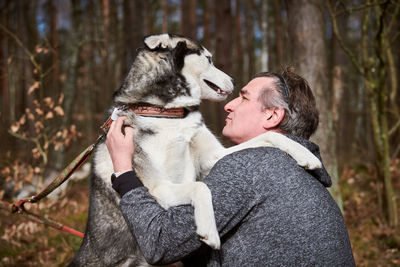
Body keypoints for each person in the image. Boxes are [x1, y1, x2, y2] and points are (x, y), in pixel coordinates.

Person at [106, 67, 355, 266]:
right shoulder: (302, 177)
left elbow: (161, 242)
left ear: (272, 115)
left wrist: (124, 171)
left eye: (243, 97)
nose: (228, 105)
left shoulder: (251, 166)